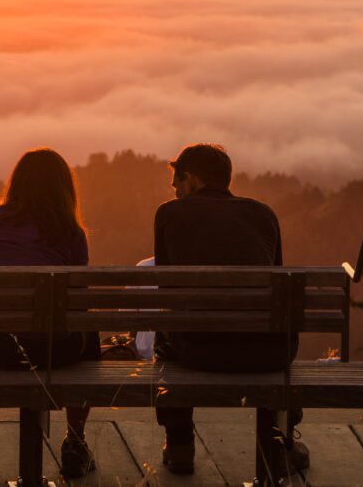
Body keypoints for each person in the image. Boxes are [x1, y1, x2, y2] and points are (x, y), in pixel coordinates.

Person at [0, 148, 100, 480]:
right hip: (43, 351)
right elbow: (77, 301)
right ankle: (75, 440)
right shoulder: (70, 232)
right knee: (88, 323)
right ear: (63, 188)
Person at [152, 143, 308, 477]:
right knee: (273, 328)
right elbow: (276, 288)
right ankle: (279, 444)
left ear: (191, 179)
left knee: (164, 337)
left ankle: (179, 442)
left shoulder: (169, 215)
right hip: (271, 354)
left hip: (200, 352)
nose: (177, 193)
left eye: (178, 184)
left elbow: (167, 292)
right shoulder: (264, 215)